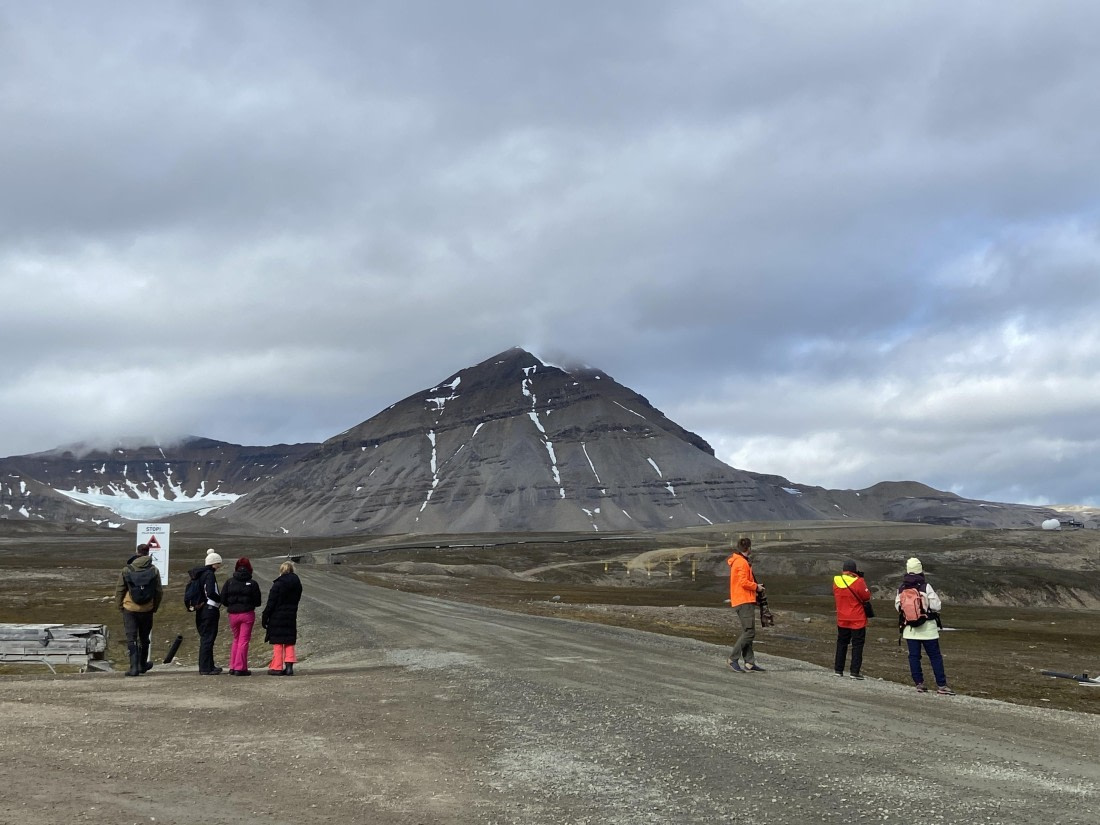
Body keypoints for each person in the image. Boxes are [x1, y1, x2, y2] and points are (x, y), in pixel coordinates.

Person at [894, 557, 955, 695]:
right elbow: (936, 606)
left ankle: (919, 683)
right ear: (920, 569)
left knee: (914, 656)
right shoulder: (925, 587)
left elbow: (898, 607)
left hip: (909, 629)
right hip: (928, 629)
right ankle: (941, 685)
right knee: (935, 656)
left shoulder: (901, 588)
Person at [114, 543, 163, 677]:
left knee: (132, 638)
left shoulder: (127, 569)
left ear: (137, 552)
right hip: (147, 609)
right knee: (144, 638)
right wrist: (154, 607)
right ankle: (143, 665)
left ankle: (133, 667)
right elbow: (159, 591)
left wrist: (120, 606)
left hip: (129, 608)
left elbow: (120, 590)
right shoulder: (154, 570)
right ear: (148, 553)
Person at [726, 537, 766, 673]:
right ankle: (733, 659)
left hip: (741, 599)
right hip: (744, 600)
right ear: (749, 548)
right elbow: (743, 582)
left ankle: (749, 662)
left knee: (747, 631)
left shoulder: (737, 561)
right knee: (749, 632)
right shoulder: (742, 563)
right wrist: (756, 587)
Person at [221, 556, 262, 676]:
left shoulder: (229, 582)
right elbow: (258, 602)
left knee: (236, 639)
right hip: (247, 614)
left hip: (233, 614)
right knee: (243, 641)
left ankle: (233, 666)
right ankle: (240, 667)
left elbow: (223, 599)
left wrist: (232, 605)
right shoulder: (253, 583)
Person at [262, 560, 303, 676]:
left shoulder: (278, 584)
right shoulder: (297, 584)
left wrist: (265, 616)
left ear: (281, 570)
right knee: (289, 641)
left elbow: (271, 602)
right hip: (291, 615)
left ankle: (277, 667)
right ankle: (289, 667)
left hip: (277, 615)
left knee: (278, 642)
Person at [832, 559, 872, 679]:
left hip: (842, 618)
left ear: (844, 570)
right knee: (857, 645)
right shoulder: (858, 582)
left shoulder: (836, 581)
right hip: (857, 619)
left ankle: (838, 670)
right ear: (854, 570)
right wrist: (861, 579)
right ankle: (854, 672)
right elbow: (866, 596)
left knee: (841, 644)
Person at [192, 550, 224, 675]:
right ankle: (206, 667)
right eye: (218, 564)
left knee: (206, 638)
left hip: (201, 609)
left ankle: (209, 665)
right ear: (213, 564)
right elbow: (210, 592)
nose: (219, 567)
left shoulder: (200, 574)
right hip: (209, 610)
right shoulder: (209, 575)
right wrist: (220, 600)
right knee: (208, 639)